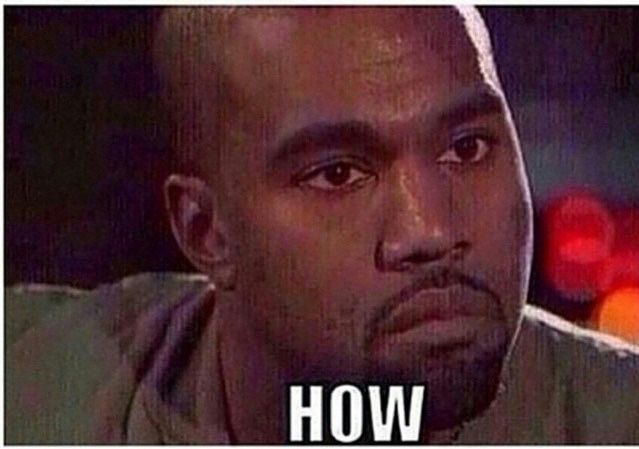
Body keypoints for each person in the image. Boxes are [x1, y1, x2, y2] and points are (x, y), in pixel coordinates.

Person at [5, 6, 639, 444]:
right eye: (338, 174)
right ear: (206, 232)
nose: (430, 232)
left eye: (466, 148)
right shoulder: (30, 388)